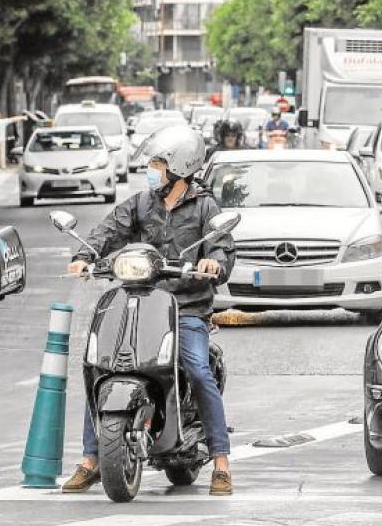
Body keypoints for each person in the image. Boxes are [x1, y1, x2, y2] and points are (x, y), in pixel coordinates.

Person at [60, 124, 236, 497]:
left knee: (198, 371)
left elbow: (220, 246)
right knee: (102, 367)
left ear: (179, 167)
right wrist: (85, 256)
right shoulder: (142, 203)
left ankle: (221, 461)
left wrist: (213, 264)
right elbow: (109, 231)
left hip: (185, 307)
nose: (151, 169)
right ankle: (92, 460)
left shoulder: (205, 206)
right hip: (139, 300)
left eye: (157, 163)